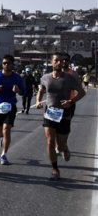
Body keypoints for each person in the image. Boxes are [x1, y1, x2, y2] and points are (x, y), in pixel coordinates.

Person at [36, 52, 86, 181]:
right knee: (50, 141)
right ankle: (55, 169)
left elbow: (81, 92)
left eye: (61, 61)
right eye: (56, 60)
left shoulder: (69, 78)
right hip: (50, 114)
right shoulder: (45, 77)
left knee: (61, 145)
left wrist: (71, 101)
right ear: (52, 62)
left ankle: (65, 148)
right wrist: (37, 101)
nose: (59, 63)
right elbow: (41, 90)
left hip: (64, 114)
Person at [0, 54, 25, 165]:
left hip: (10, 105)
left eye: (9, 63)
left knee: (6, 129)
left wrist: (18, 90)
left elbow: (23, 91)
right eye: (4, 63)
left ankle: (3, 155)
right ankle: (3, 140)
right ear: (2, 64)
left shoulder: (17, 77)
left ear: (12, 64)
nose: (6, 65)